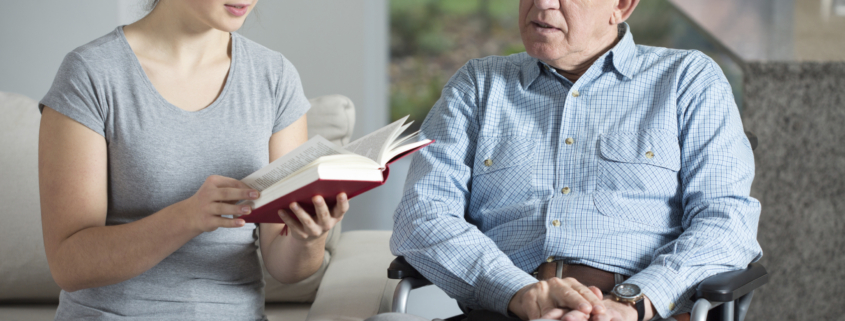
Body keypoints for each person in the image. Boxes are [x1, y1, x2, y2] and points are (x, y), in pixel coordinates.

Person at [390, 0, 762, 320]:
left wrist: (631, 301)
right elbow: (422, 215)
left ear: (621, 5)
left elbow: (726, 223)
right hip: (507, 309)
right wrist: (520, 292)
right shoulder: (477, 86)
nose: (542, 4)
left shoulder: (688, 81)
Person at [38, 1, 348, 320]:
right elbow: (68, 264)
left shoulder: (275, 77)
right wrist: (187, 217)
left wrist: (308, 237)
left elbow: (286, 268)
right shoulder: (92, 72)